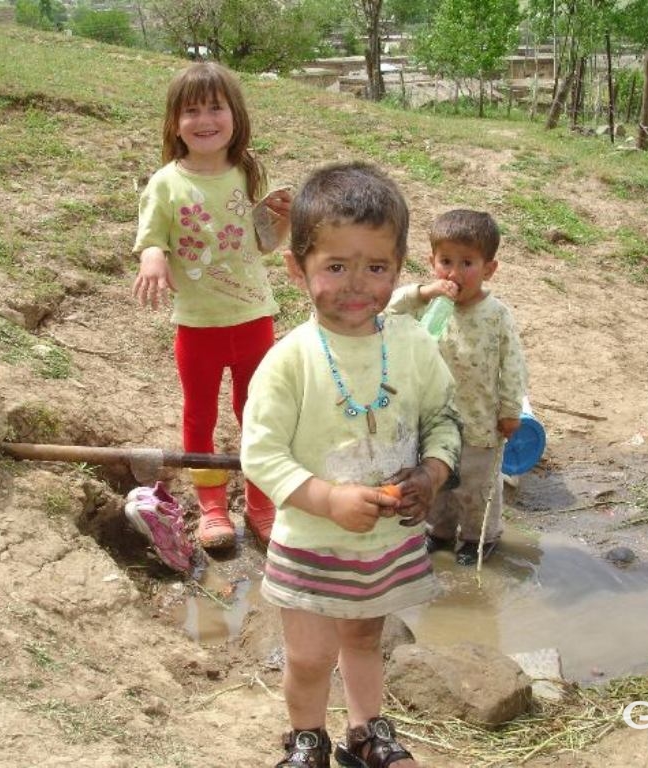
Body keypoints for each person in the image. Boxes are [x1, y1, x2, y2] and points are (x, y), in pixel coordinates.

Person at [240, 162, 461, 768]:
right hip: (311, 541)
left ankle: (366, 732)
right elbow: (259, 453)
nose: (356, 285)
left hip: (384, 547)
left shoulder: (413, 344)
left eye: (376, 267)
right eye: (336, 267)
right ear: (297, 268)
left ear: (398, 267)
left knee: (366, 638)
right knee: (309, 655)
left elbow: (444, 420)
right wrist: (326, 499)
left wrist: (432, 474)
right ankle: (306, 738)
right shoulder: (291, 360)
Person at [131, 61, 291, 552]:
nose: (205, 120)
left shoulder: (246, 172)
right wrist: (154, 257)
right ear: (174, 123)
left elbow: (264, 242)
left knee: (257, 413)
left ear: (235, 116)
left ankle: (261, 505)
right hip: (197, 325)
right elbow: (151, 239)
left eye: (215, 108)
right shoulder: (165, 183)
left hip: (253, 320)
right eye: (191, 110)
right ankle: (213, 507)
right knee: (199, 415)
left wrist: (282, 221)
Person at [387, 210, 526, 566]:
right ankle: (440, 531)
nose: (454, 273)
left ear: (488, 269)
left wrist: (511, 410)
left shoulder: (497, 315)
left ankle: (481, 537)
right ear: (431, 262)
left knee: (476, 488)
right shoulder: (429, 308)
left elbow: (512, 365)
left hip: (480, 424)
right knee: (439, 484)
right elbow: (389, 311)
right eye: (445, 261)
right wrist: (423, 292)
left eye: (467, 263)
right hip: (433, 420)